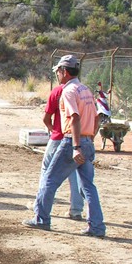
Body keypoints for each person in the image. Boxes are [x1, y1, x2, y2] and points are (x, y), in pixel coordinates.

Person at [23, 55, 106, 237]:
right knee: (88, 186)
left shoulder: (69, 91)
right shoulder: (85, 90)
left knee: (49, 180)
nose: (58, 75)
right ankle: (97, 227)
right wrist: (88, 140)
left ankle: (41, 219)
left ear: (65, 72)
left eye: (59, 71)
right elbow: (96, 118)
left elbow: (74, 117)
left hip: (71, 141)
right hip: (87, 141)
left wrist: (76, 146)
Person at [35, 80, 86, 220]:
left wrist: (53, 130)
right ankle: (76, 210)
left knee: (47, 173)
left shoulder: (58, 91)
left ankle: (40, 208)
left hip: (59, 138)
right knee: (74, 174)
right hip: (76, 139)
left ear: (63, 72)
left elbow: (46, 118)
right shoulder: (82, 91)